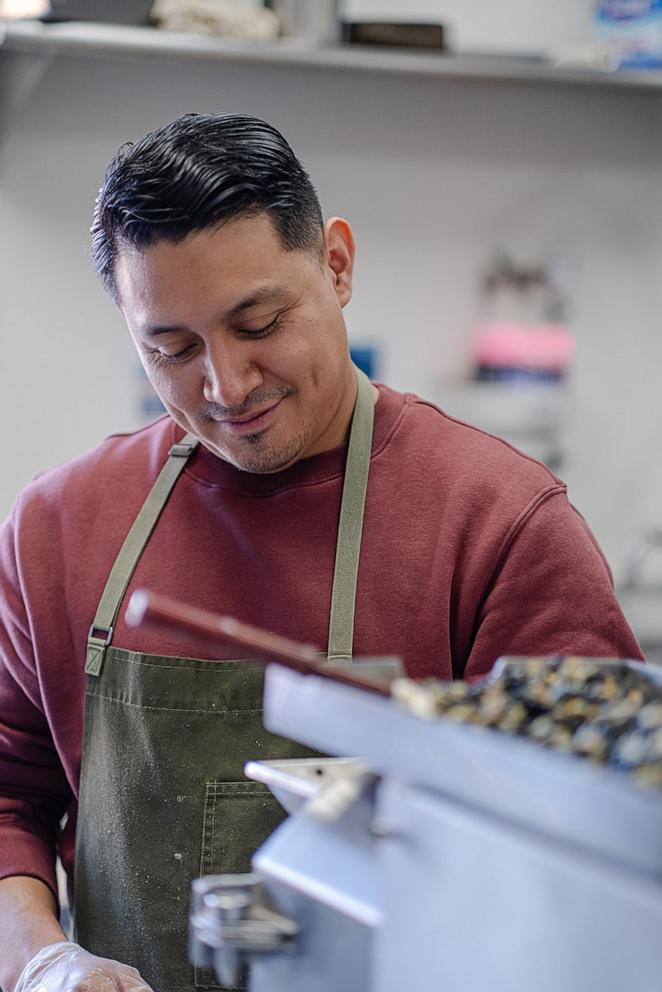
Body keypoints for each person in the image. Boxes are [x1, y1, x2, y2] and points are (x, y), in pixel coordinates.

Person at [0, 113, 642, 992]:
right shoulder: (58, 525)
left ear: (336, 265)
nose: (225, 386)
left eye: (258, 323)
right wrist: (40, 958)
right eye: (172, 349)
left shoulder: (500, 523)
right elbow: (7, 799)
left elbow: (597, 861)